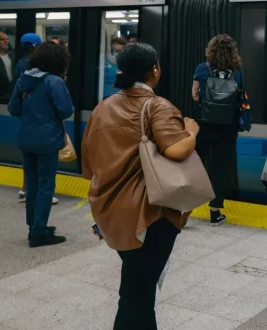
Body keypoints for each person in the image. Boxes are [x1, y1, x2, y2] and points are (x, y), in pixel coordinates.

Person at [82, 43, 199, 329]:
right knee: (137, 297)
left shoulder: (103, 107)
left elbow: (89, 164)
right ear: (155, 70)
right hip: (149, 217)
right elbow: (177, 150)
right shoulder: (158, 106)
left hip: (111, 215)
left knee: (136, 288)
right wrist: (192, 130)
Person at [7, 42, 73, 248]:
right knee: (46, 185)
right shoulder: (54, 81)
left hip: (26, 139)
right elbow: (66, 110)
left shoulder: (23, 80)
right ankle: (38, 232)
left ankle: (34, 225)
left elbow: (12, 108)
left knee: (33, 183)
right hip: (47, 140)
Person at [192, 34, 244, 225]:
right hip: (227, 127)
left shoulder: (202, 68)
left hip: (204, 125)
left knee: (194, 165)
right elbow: (240, 96)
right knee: (219, 168)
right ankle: (215, 213)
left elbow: (194, 95)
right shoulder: (237, 71)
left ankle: (183, 208)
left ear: (211, 50)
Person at [13, 33, 60, 206]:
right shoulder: (45, 72)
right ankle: (40, 217)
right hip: (45, 127)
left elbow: (14, 105)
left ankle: (25, 190)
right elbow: (64, 109)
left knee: (29, 162)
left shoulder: (20, 65)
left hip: (26, 122)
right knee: (45, 168)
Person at [0, 31, 14, 98]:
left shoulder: (13, 56)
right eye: (2, 39)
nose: (6, 41)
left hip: (12, 92)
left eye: (7, 39)